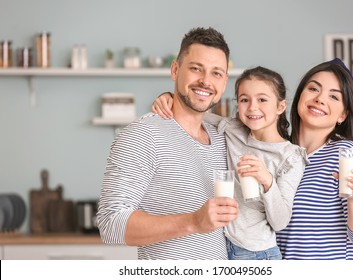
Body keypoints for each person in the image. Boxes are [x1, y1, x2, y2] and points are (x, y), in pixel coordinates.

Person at [96, 27, 239, 260]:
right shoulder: (143, 135)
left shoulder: (225, 138)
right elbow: (111, 224)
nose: (205, 81)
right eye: (196, 69)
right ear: (175, 69)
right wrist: (193, 221)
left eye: (216, 73)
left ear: (224, 83)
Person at [152, 66, 308, 260]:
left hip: (257, 254)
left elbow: (280, 222)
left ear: (280, 106)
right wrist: (169, 97)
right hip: (218, 248)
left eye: (262, 99)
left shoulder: (290, 157)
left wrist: (267, 180)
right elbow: (191, 111)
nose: (252, 107)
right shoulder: (233, 129)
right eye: (244, 100)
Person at [275, 58, 353, 259]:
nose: (320, 99)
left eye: (334, 96)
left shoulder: (345, 154)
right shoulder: (277, 152)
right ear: (300, 96)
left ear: (343, 115)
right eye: (314, 89)